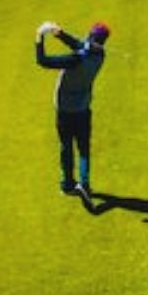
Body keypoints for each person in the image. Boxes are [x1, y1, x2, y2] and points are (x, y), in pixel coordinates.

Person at [35, 20, 109, 197]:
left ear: (90, 36)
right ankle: (84, 183)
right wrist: (59, 33)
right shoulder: (100, 55)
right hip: (83, 109)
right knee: (83, 147)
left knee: (66, 146)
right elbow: (78, 44)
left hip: (65, 111)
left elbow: (42, 61)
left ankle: (67, 183)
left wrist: (39, 37)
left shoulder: (75, 60)